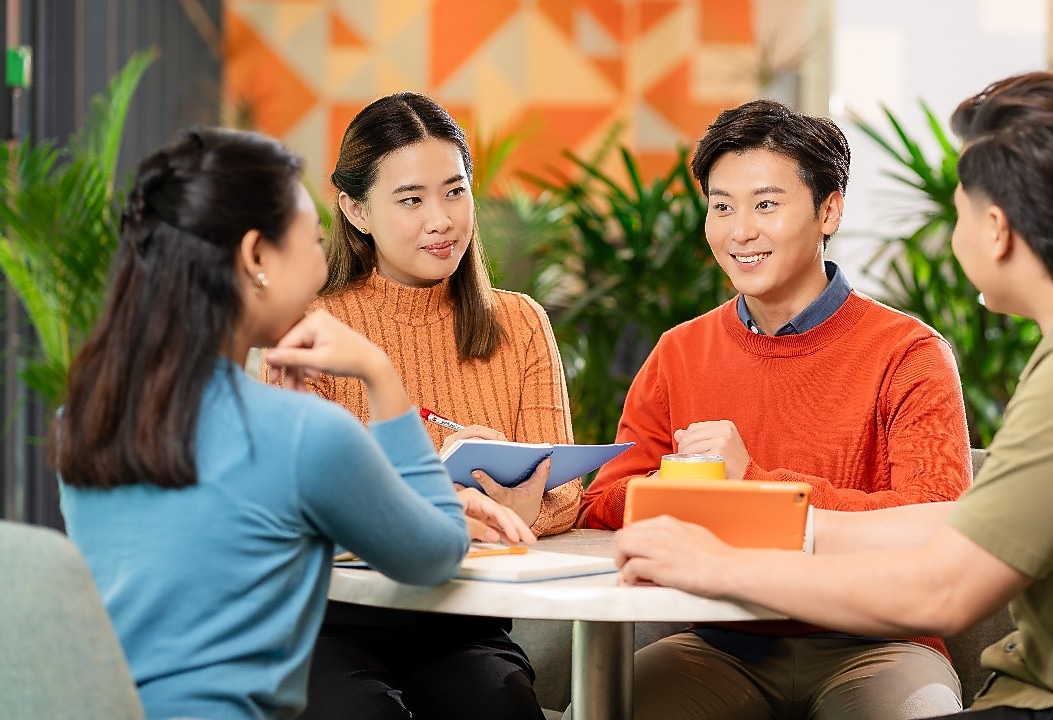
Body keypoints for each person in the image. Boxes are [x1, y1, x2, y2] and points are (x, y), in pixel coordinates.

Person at [614, 71, 1053, 720]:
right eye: (722, 205)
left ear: (995, 227)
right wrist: (764, 520)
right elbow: (941, 527)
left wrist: (727, 557)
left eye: (957, 212)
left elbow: (944, 584)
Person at [57, 127, 534, 720]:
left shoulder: (88, 418)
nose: (320, 270)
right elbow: (435, 555)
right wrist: (379, 376)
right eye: (311, 240)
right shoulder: (301, 433)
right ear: (257, 256)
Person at [576, 98, 973, 719]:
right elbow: (609, 499)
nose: (740, 232)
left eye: (766, 204)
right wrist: (677, 489)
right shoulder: (680, 350)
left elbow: (936, 523)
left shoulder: (910, 353)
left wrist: (752, 483)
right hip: (717, 642)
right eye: (722, 206)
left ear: (829, 211)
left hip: (878, 642)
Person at [279, 92, 577, 720]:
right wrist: (437, 506)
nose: (441, 220)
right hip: (339, 622)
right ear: (357, 209)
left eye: (454, 191)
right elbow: (297, 504)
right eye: (411, 200)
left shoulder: (520, 323)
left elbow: (565, 492)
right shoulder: (313, 326)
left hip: (465, 624)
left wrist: (527, 509)